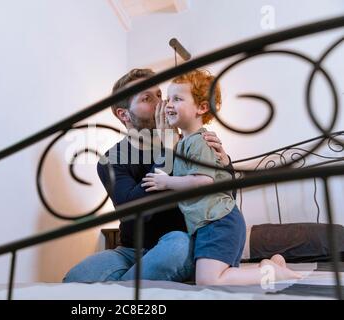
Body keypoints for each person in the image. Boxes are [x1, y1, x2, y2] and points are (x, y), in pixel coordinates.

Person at [63, 69, 232, 283]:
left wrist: (225, 161)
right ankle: (131, 285)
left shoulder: (191, 138)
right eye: (147, 98)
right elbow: (136, 213)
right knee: (76, 278)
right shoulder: (112, 159)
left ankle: (117, 292)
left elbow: (226, 194)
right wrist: (167, 152)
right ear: (124, 114)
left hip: (180, 242)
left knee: (177, 245)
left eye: (159, 95)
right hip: (130, 251)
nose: (162, 103)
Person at [141, 69, 302, 285]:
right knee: (220, 276)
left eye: (177, 99)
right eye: (168, 99)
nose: (168, 105)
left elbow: (204, 181)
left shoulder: (200, 140)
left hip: (218, 222)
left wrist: (166, 182)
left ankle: (274, 274)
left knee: (209, 281)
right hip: (211, 223)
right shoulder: (183, 143)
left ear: (202, 107)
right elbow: (172, 154)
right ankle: (270, 265)